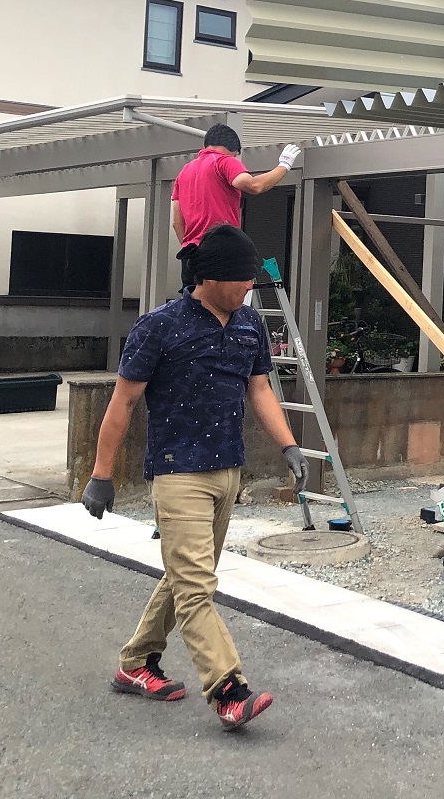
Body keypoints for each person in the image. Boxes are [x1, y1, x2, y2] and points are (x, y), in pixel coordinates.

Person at [80, 225, 309, 731]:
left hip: (228, 471)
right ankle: (228, 689)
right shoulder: (159, 327)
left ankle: (136, 662)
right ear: (211, 277)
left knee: (184, 577)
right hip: (177, 473)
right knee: (197, 587)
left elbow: (259, 390)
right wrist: (101, 475)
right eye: (242, 279)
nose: (250, 287)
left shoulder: (248, 325)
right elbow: (122, 402)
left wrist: (288, 443)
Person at [173, 124, 302, 289]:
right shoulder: (224, 161)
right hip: (222, 250)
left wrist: (191, 245)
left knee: (192, 307)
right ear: (233, 148)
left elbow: (177, 222)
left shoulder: (184, 172)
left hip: (190, 255)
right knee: (224, 307)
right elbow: (254, 186)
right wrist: (284, 166)